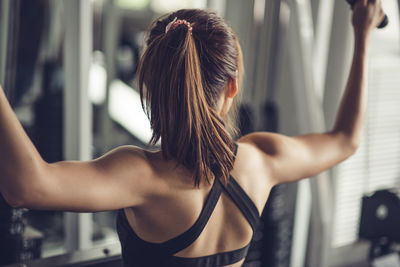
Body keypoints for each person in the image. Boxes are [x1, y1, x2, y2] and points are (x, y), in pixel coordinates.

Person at [0, 1, 384, 266]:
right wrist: (362, 33)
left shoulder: (141, 176)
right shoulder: (261, 162)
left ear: (151, 85)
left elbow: (26, 185)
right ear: (231, 87)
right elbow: (346, 139)